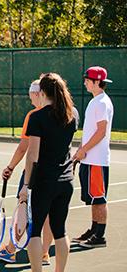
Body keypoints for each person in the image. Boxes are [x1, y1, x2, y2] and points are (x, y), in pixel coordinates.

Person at [0, 80, 53, 265]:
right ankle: (44, 254)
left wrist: (10, 167)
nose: (30, 98)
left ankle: (10, 250)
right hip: (54, 173)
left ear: (37, 94)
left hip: (34, 173)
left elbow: (24, 147)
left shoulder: (34, 116)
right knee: (49, 214)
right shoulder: (63, 113)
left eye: (31, 94)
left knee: (22, 209)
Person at [20, 73, 78, 272]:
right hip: (66, 182)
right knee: (60, 231)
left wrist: (26, 186)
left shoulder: (37, 117)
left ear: (43, 93)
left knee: (34, 231)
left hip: (44, 183)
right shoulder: (73, 115)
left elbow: (32, 155)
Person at [72, 66, 113, 248]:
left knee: (99, 198)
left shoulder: (102, 102)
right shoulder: (95, 101)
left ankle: (100, 236)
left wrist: (84, 150)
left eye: (88, 80)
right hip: (89, 159)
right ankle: (94, 230)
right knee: (93, 199)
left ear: (97, 82)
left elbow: (101, 131)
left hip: (97, 160)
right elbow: (90, 132)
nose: (85, 82)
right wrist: (80, 150)